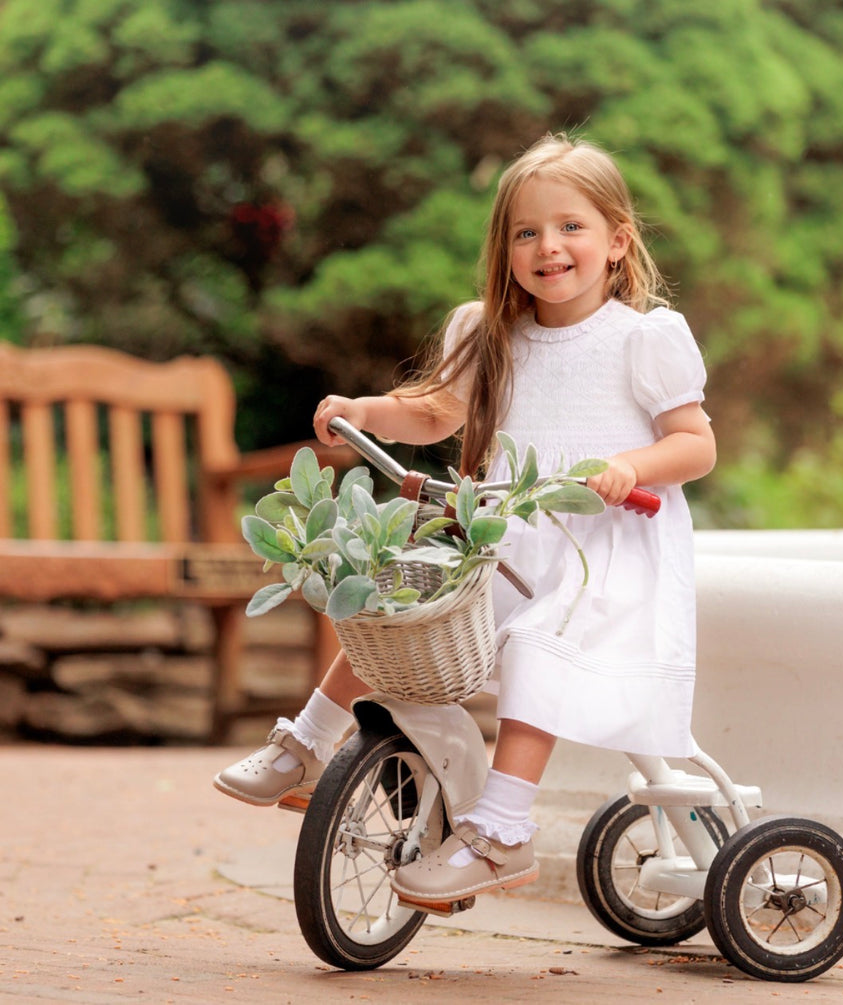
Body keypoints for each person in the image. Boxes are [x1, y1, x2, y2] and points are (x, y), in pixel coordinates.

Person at [214, 133, 716, 908]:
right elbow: (437, 410)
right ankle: (308, 742)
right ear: (506, 248)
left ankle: (503, 828)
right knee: (397, 608)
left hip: (601, 552)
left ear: (617, 240)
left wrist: (631, 467)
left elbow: (696, 443)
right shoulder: (491, 335)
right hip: (506, 537)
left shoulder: (643, 339)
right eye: (526, 232)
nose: (548, 246)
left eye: (570, 227)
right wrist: (365, 412)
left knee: (541, 650)